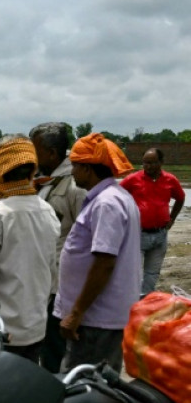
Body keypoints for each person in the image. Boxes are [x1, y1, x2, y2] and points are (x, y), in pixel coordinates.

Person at [0, 135, 59, 367]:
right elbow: (51, 271)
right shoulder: (47, 211)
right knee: (20, 392)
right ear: (31, 171)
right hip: (34, 325)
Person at [54, 133, 140, 373]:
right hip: (97, 316)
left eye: (74, 166)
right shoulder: (113, 197)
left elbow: (104, 263)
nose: (72, 172)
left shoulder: (106, 204)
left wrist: (76, 313)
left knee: (83, 387)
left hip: (96, 319)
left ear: (88, 169)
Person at [29, 122, 86, 373]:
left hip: (62, 284)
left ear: (52, 153)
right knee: (46, 345)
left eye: (35, 150)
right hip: (43, 280)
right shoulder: (42, 182)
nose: (31, 156)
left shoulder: (75, 186)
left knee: (56, 348)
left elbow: (86, 240)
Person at [120, 148, 185, 295]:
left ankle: (145, 300)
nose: (148, 166)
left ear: (161, 163)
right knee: (133, 271)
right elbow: (115, 196)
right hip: (138, 234)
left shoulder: (170, 180)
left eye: (152, 163)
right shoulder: (133, 179)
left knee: (152, 273)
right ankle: (130, 301)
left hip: (160, 234)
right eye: (145, 163)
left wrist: (172, 218)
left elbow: (180, 198)